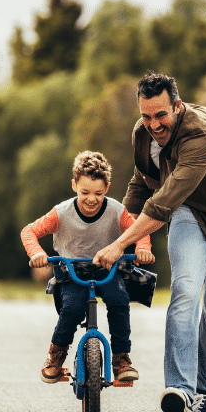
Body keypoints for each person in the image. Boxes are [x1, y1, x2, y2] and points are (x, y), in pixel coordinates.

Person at [94, 72, 206, 412]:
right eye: (146, 116)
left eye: (161, 115)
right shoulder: (142, 133)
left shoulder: (202, 134)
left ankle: (201, 390)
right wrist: (113, 230)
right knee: (185, 292)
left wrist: (119, 245)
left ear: (177, 105)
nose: (153, 124)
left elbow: (162, 205)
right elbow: (141, 183)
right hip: (191, 212)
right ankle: (181, 390)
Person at [21, 150, 155, 385]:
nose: (91, 198)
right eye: (85, 192)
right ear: (74, 185)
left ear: (108, 188)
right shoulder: (61, 213)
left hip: (107, 268)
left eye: (98, 193)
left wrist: (143, 248)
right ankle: (55, 357)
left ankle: (121, 359)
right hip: (72, 272)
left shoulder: (116, 210)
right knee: (72, 309)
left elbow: (138, 230)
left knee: (119, 299)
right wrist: (37, 253)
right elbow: (29, 231)